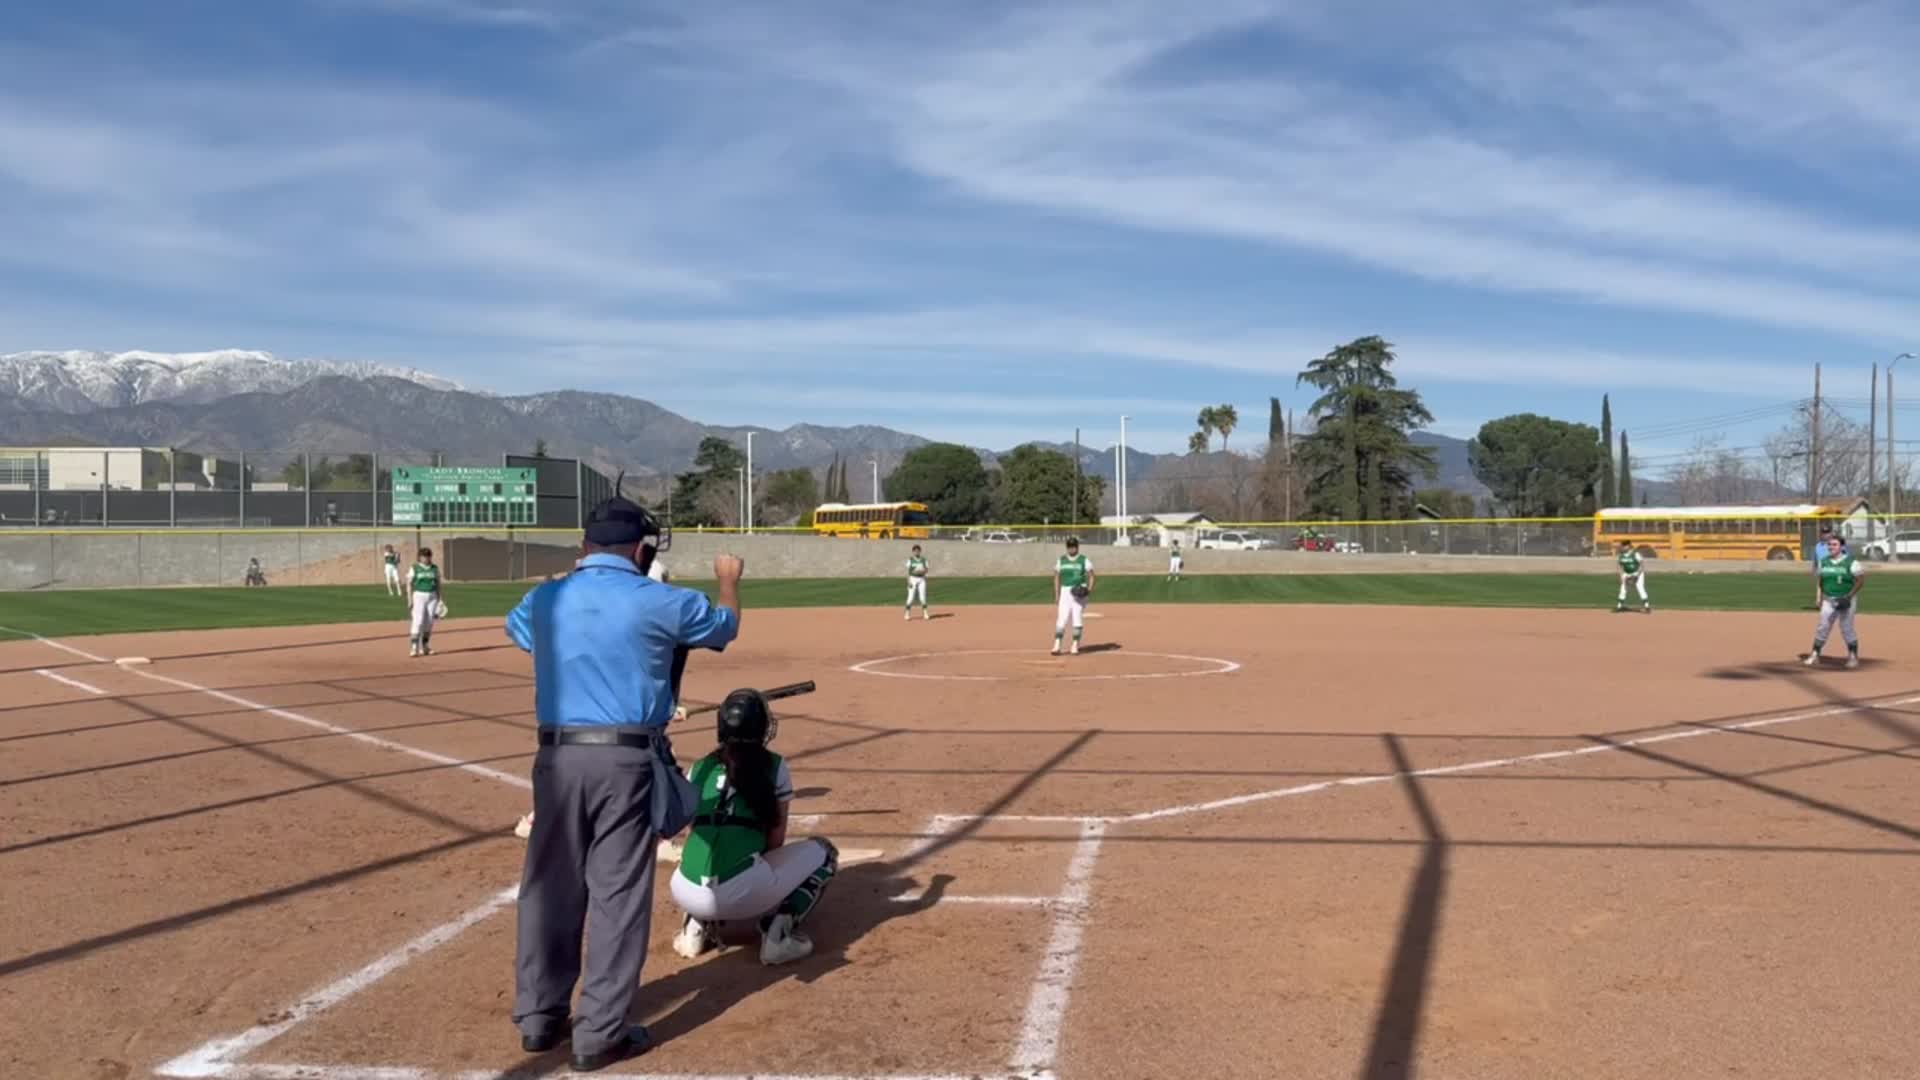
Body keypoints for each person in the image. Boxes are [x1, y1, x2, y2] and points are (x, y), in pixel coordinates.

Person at [505, 491, 742, 1072]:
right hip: (625, 762)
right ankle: (598, 1033)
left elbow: (521, 632)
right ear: (641, 551)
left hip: (556, 760)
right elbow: (723, 628)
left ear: (584, 548)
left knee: (548, 889)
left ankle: (538, 1018)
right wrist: (728, 579)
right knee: (616, 896)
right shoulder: (661, 599)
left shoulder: (545, 599)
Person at [670, 688, 838, 966]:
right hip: (742, 893)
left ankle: (694, 927)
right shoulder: (774, 766)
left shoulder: (699, 767)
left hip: (683, 888)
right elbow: (775, 841)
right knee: (826, 853)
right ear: (761, 728)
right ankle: (778, 935)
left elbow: (691, 832)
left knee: (708, 850)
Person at [1804, 533, 1866, 669]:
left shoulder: (1851, 562)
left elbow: (1860, 580)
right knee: (1823, 627)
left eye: (1834, 544)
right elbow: (1820, 579)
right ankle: (1815, 654)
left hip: (1846, 599)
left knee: (1846, 628)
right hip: (1829, 599)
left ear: (1842, 546)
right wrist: (1820, 597)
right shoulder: (1824, 561)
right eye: (1829, 544)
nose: (1831, 547)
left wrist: (1849, 596)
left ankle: (1853, 657)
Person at [1052, 537, 1095, 656]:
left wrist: (1089, 590)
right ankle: (1057, 645)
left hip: (1079, 592)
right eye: (1069, 546)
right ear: (1067, 547)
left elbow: (1092, 576)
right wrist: (1057, 594)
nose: (1071, 548)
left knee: (1077, 617)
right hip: (1065, 591)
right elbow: (1056, 577)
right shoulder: (1061, 560)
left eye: (1074, 546)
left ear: (1077, 547)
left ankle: (1075, 645)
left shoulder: (1084, 560)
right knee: (1062, 618)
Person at [406, 547, 442, 657]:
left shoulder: (435, 568)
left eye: (427, 556)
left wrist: (440, 599)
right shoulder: (415, 568)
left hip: (432, 596)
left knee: (429, 622)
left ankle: (425, 646)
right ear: (419, 557)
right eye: (423, 556)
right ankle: (414, 647)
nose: (426, 558)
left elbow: (438, 584)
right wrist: (409, 600)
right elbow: (409, 584)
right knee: (418, 621)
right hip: (419, 595)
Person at [1614, 542, 1649, 613]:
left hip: (1637, 573)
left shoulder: (1635, 554)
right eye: (1622, 546)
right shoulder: (1620, 556)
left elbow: (1642, 565)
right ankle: (1619, 606)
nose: (1622, 547)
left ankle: (1647, 607)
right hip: (1627, 573)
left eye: (1624, 546)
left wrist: (1637, 576)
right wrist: (1621, 576)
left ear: (1628, 546)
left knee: (1640, 588)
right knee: (1623, 589)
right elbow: (1620, 566)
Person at [905, 544, 930, 620]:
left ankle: (925, 613)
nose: (916, 552)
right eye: (915, 551)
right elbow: (908, 572)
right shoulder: (910, 560)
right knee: (911, 598)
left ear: (920, 551)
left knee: (922, 598)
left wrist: (922, 570)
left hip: (921, 579)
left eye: (918, 551)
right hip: (913, 579)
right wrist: (908, 581)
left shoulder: (924, 560)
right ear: (913, 552)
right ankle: (907, 614)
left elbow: (926, 570)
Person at [1811, 525, 1834, 608]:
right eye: (1824, 533)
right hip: (1822, 566)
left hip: (1832, 565)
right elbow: (1815, 558)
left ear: (1831, 533)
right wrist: (1813, 569)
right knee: (1820, 585)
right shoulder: (1818, 546)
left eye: (1827, 533)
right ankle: (1819, 602)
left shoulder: (1834, 544)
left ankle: (1830, 602)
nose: (1825, 535)